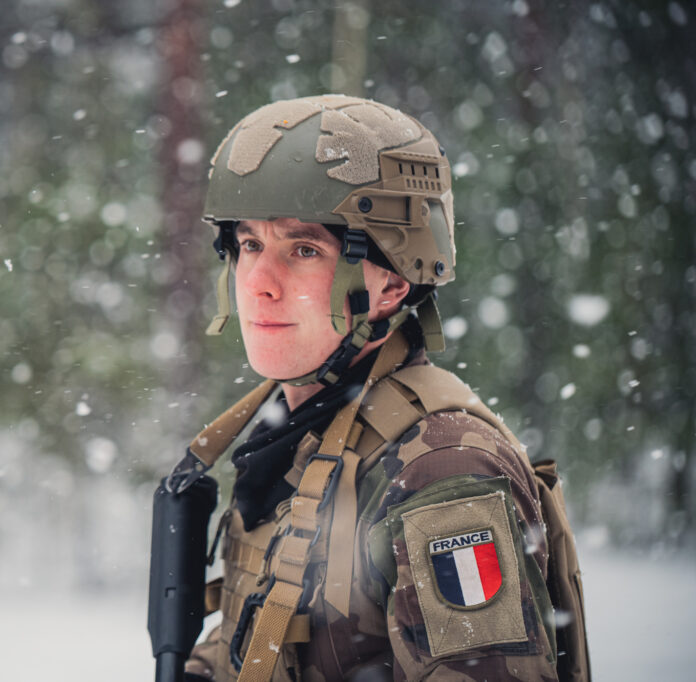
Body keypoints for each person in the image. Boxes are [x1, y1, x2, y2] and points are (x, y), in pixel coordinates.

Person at [175, 95, 589, 681]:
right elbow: (264, 637)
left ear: (392, 283)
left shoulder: (442, 470)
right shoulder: (296, 434)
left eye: (303, 249)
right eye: (249, 245)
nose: (258, 284)